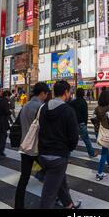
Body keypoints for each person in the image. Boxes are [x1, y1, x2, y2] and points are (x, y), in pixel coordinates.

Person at [38, 81, 80, 209]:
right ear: (66, 92)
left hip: (42, 154)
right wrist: (69, 148)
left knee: (59, 181)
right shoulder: (68, 110)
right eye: (69, 92)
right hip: (58, 156)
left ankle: (68, 204)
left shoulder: (44, 108)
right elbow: (74, 136)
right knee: (48, 195)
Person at [14, 83, 49, 209]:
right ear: (42, 93)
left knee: (24, 178)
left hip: (25, 146)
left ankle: (18, 205)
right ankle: (63, 200)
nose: (47, 96)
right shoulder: (41, 107)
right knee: (54, 173)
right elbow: (44, 130)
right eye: (46, 93)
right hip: (37, 148)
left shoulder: (25, 106)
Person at [94, 91, 109, 181]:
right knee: (104, 152)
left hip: (98, 132)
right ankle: (99, 173)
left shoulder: (96, 108)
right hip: (106, 132)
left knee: (105, 149)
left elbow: (93, 119)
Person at [70, 88, 97, 158]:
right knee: (86, 139)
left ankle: (67, 156)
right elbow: (85, 114)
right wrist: (85, 123)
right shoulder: (83, 102)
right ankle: (91, 153)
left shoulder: (72, 102)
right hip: (82, 124)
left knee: (70, 139)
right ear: (83, 94)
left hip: (73, 124)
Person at [0, 91, 11, 161]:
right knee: (1, 140)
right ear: (6, 95)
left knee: (3, 138)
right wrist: (10, 111)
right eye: (9, 96)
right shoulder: (5, 101)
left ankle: (1, 153)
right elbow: (7, 112)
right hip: (2, 124)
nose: (9, 98)